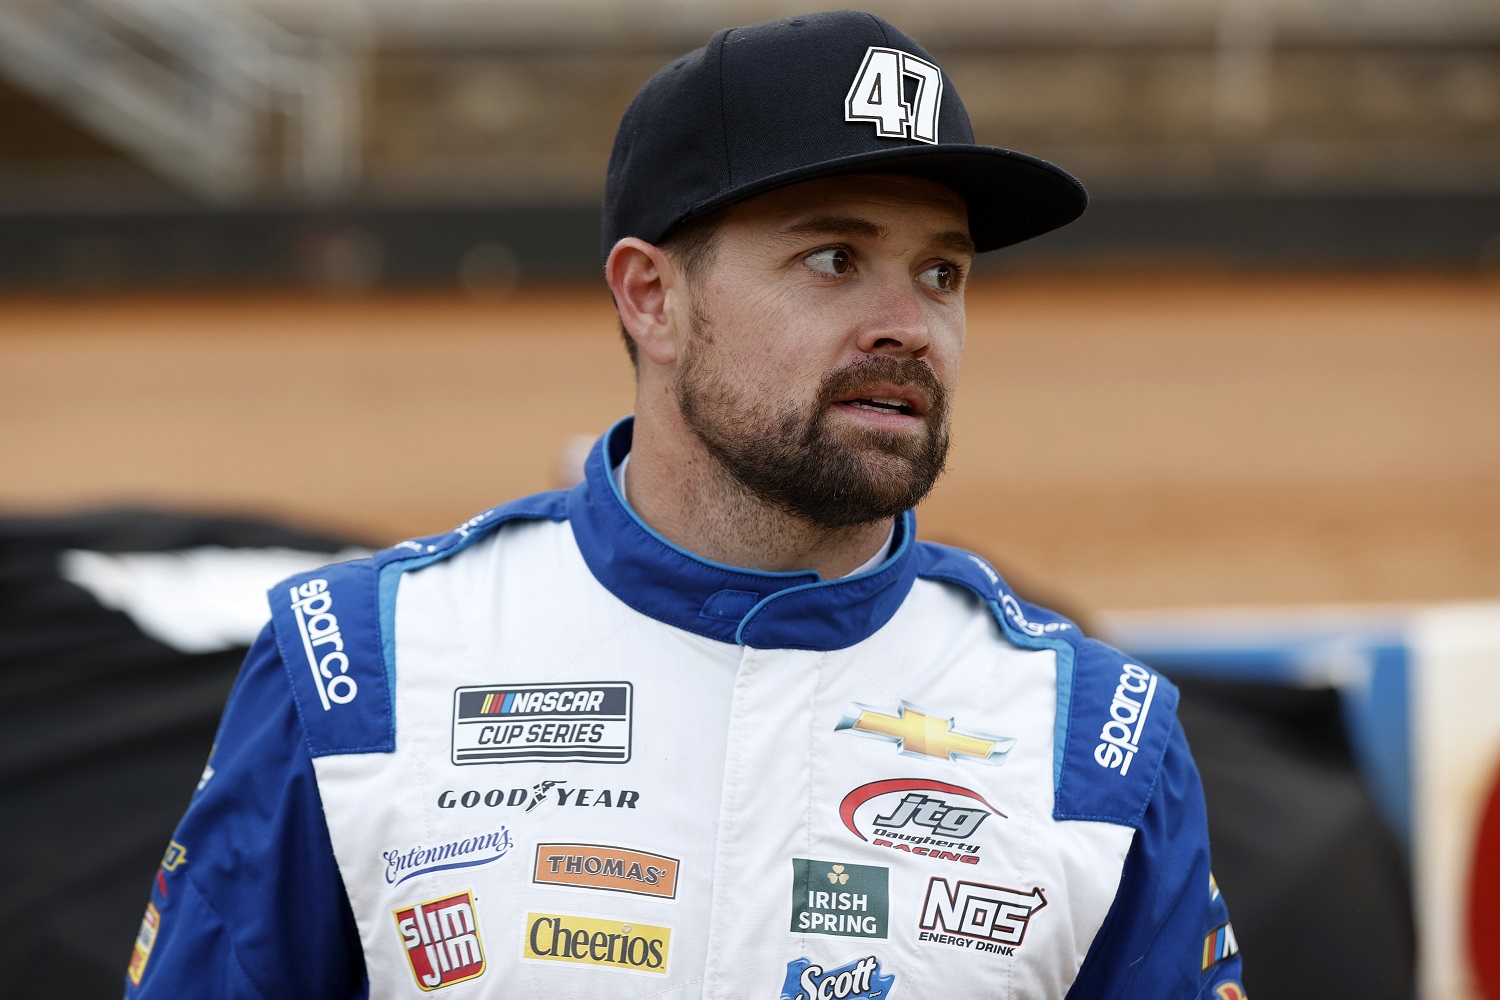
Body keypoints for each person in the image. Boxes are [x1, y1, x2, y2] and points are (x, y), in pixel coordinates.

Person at [124, 11, 1244, 999]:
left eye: (942, 272)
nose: (907, 322)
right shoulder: (356, 670)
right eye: (835, 257)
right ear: (651, 298)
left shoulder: (1098, 740)